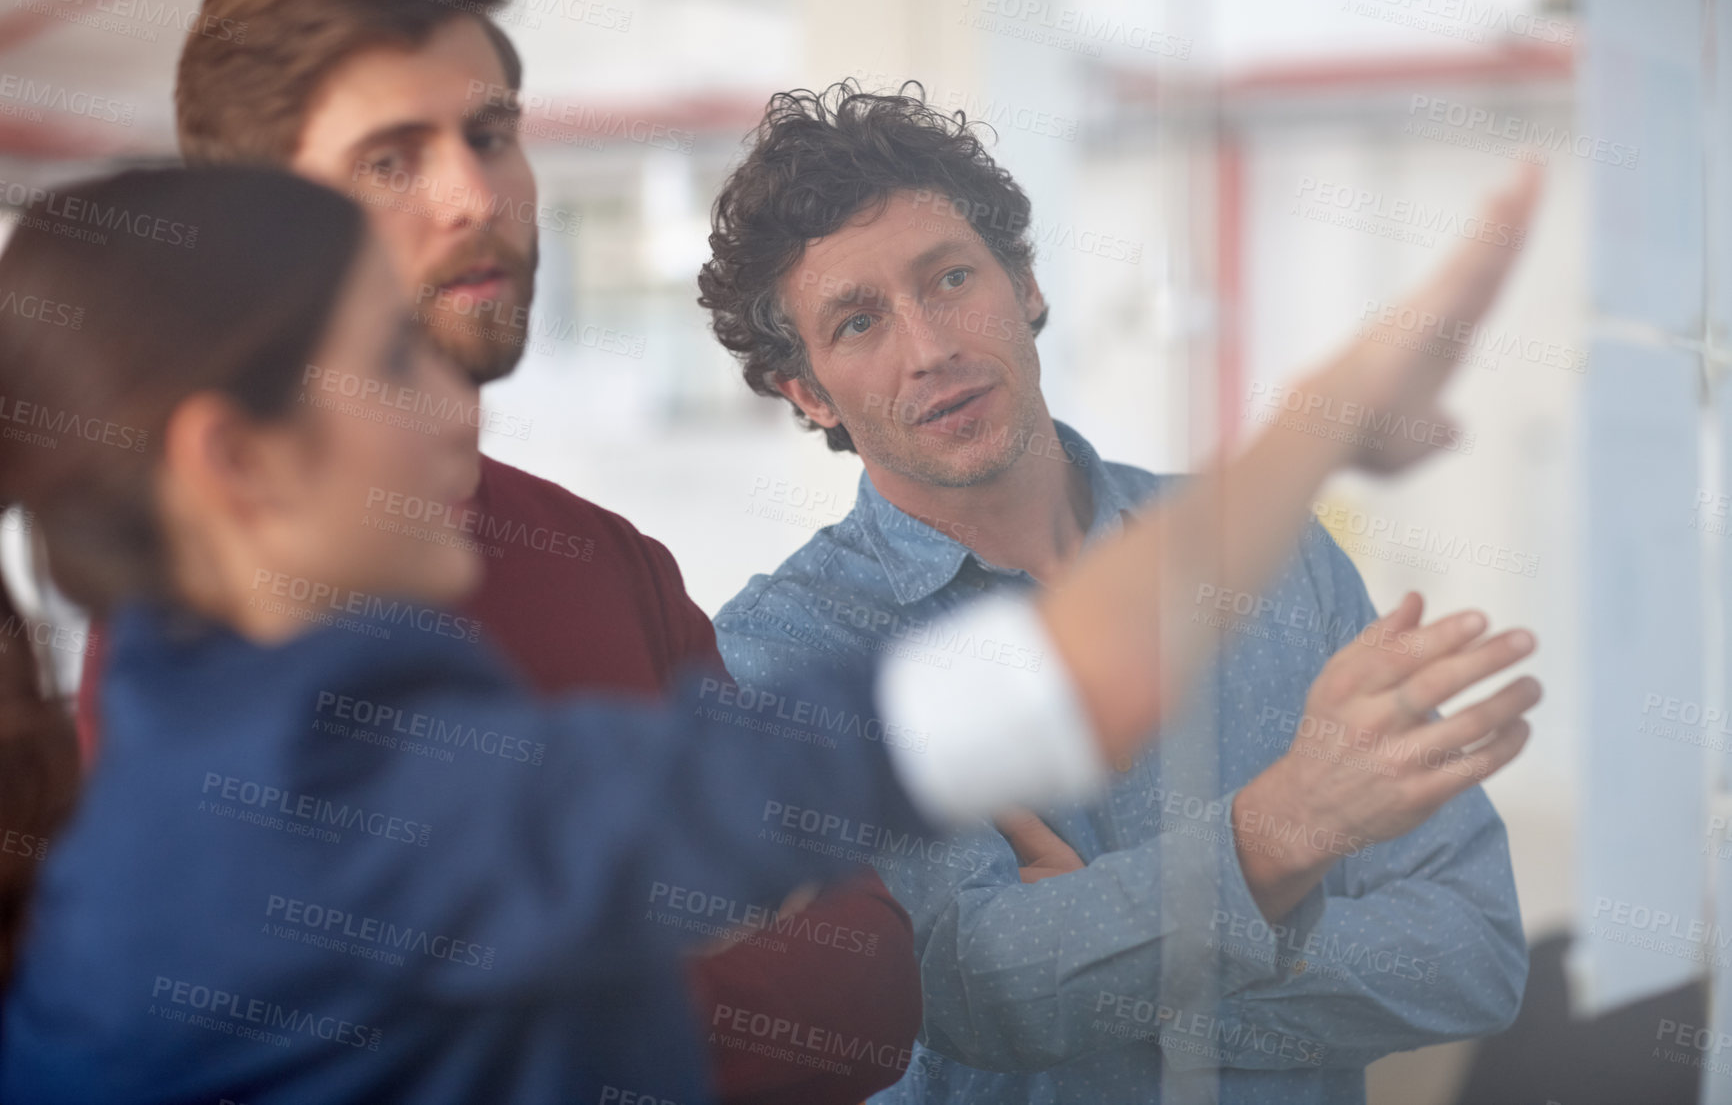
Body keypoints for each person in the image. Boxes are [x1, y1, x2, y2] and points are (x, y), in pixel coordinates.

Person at [0, 163, 1535, 1103]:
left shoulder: (346, 714)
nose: (457, 402)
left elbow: (1468, 951)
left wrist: (1122, 921)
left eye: (952, 279)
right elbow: (979, 931)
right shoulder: (305, 809)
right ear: (237, 462)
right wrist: (1322, 432)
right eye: (388, 359)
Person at [72, 0, 921, 1100]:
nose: (472, 196)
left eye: (488, 133)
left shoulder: (608, 558)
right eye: (389, 159)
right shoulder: (193, 642)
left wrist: (532, 962)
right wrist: (665, 921)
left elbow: (866, 987)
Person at [699, 82, 1542, 1104]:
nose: (929, 348)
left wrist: (1110, 942)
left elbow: (1475, 947)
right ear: (808, 390)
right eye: (859, 320)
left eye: (951, 277)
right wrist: (1282, 835)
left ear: (1027, 284)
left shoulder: (1272, 555)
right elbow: (964, 995)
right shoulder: (782, 652)